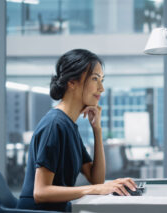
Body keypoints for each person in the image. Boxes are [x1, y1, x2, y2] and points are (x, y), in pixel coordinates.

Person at [17, 49, 137, 212]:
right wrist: (92, 190)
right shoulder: (54, 125)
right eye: (95, 79)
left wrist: (97, 130)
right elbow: (41, 192)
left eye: (101, 80)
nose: (101, 88)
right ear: (72, 82)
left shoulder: (69, 126)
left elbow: (96, 179)